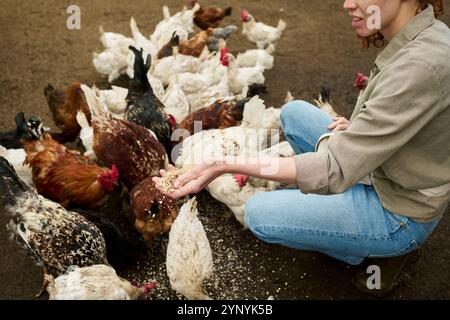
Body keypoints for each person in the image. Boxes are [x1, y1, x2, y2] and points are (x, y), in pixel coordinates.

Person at [154, 0, 449, 295]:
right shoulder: (420, 36)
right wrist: (365, 127)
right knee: (293, 114)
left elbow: (332, 169)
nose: (347, 3)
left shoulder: (420, 64)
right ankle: (344, 217)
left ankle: (387, 251)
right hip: (385, 170)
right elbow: (411, 115)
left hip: (400, 208)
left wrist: (224, 165)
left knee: (258, 214)